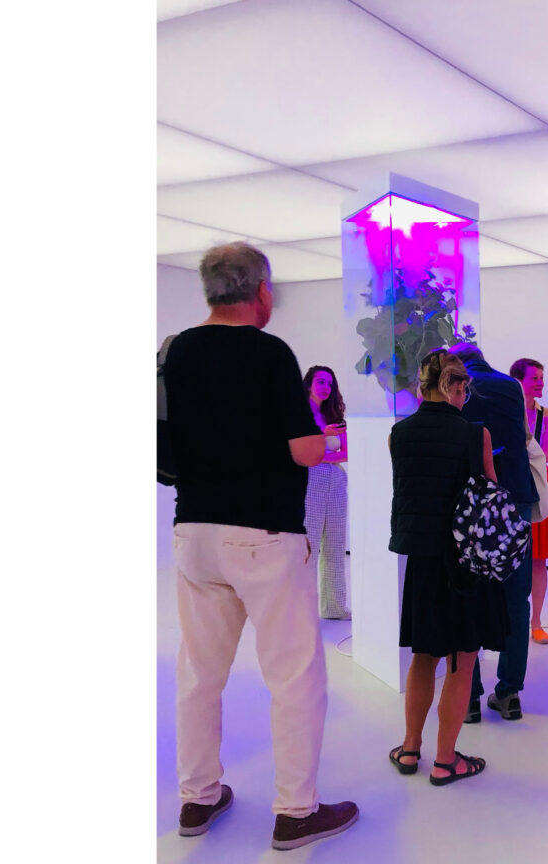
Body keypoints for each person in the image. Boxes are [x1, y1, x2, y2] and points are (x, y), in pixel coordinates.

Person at [162, 242, 358, 851]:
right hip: (264, 536)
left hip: (195, 529)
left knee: (199, 673)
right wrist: (329, 441)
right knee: (294, 676)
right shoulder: (270, 353)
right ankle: (296, 811)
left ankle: (197, 797)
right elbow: (303, 449)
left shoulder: (174, 351)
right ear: (261, 290)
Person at [387, 349, 507, 785]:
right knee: (461, 661)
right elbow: (490, 493)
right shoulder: (476, 435)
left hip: (422, 562)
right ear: (456, 386)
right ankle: (444, 760)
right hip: (465, 563)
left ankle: (409, 749)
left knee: (423, 657)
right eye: (464, 388)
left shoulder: (399, 434)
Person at [449, 343, 539, 723]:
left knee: (466, 597)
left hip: (470, 503)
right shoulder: (511, 387)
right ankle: (509, 693)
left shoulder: (458, 386)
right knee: (516, 599)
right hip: (514, 499)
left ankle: (468, 699)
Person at [510, 357, 548, 646]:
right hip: (513, 482)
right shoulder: (507, 410)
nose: (540, 383)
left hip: (539, 482)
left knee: (538, 558)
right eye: (535, 378)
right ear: (519, 380)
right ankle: (511, 619)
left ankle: (537, 622)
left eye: (542, 378)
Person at [302, 365, 350, 620]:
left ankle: (334, 606)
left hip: (336, 479)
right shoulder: (299, 413)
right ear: (309, 383)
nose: (325, 387)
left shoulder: (333, 415)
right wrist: (323, 438)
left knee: (335, 544)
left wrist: (323, 453)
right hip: (311, 480)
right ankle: (303, 609)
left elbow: (345, 453)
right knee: (308, 546)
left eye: (330, 384)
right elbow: (299, 449)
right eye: (320, 381)